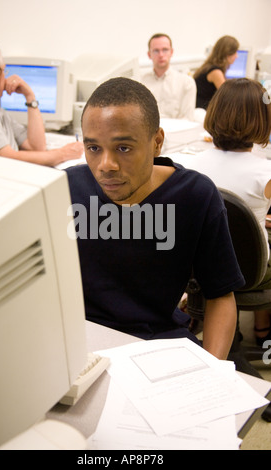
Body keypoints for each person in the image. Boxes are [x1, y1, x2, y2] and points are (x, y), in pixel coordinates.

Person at [65, 77, 245, 360]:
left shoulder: (195, 195)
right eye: (93, 148)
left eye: (123, 148)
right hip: (81, 342)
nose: (106, 166)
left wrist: (213, 371)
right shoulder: (66, 188)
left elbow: (220, 295)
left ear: (157, 142)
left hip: (158, 345)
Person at [184, 78, 271, 347]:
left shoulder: (190, 167)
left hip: (199, 269)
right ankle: (263, 330)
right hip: (251, 270)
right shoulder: (264, 173)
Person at [0, 41, 83, 166]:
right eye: (4, 70)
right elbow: (5, 157)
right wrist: (63, 154)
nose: (6, 76)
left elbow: (36, 147)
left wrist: (30, 97)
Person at [140, 33, 196, 121]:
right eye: (156, 51)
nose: (161, 55)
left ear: (171, 52)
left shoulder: (186, 83)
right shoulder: (141, 83)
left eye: (165, 50)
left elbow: (187, 119)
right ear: (149, 54)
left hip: (177, 132)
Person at [194, 35, 239, 110]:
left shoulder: (209, 66)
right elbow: (228, 96)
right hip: (203, 111)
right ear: (227, 54)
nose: (236, 56)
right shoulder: (215, 72)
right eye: (235, 52)